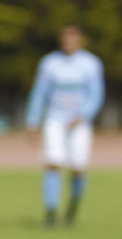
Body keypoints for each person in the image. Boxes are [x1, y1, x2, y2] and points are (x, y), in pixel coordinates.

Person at [26, 24, 104, 227]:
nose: (68, 43)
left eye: (73, 39)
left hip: (79, 122)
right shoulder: (50, 63)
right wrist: (33, 121)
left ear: (81, 41)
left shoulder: (91, 64)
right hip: (55, 119)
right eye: (65, 39)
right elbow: (39, 93)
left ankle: (72, 210)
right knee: (53, 163)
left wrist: (83, 114)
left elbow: (96, 94)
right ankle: (51, 213)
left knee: (78, 167)